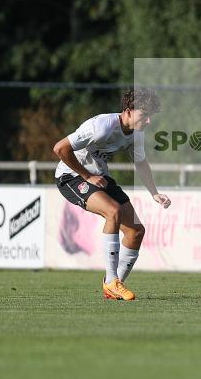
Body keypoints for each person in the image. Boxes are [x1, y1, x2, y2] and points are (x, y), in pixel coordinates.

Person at [53, 88, 171, 301]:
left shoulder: (136, 134)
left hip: (99, 177)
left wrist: (154, 193)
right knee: (113, 212)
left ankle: (113, 286)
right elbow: (60, 148)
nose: (149, 121)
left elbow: (141, 162)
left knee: (136, 232)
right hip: (71, 176)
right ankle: (111, 281)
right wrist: (87, 176)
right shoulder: (101, 127)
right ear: (128, 111)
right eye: (144, 114)